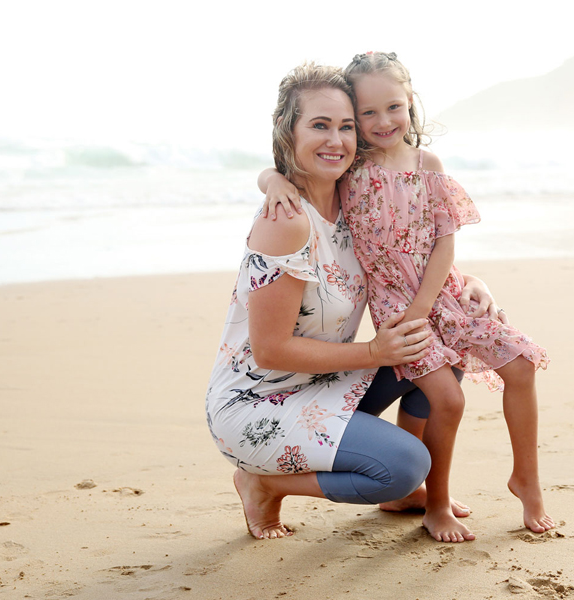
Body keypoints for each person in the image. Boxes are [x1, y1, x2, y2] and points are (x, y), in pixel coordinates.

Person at [258, 52, 553, 543]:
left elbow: (443, 243)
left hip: (445, 293)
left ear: (410, 102)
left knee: (521, 365)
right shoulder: (349, 167)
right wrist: (271, 181)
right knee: (448, 399)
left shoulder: (427, 165)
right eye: (367, 113)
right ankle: (436, 502)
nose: (382, 121)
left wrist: (465, 286)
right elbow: (282, 172)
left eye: (393, 107)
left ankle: (527, 479)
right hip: (397, 306)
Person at [206, 62, 501, 541]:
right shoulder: (287, 222)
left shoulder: (353, 199)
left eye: (345, 126)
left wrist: (471, 281)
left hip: (323, 383)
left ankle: (406, 494)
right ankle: (263, 483)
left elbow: (403, 260)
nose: (336, 140)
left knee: (441, 353)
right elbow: (270, 350)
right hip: (258, 404)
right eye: (319, 125)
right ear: (287, 129)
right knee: (402, 466)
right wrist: (374, 353)